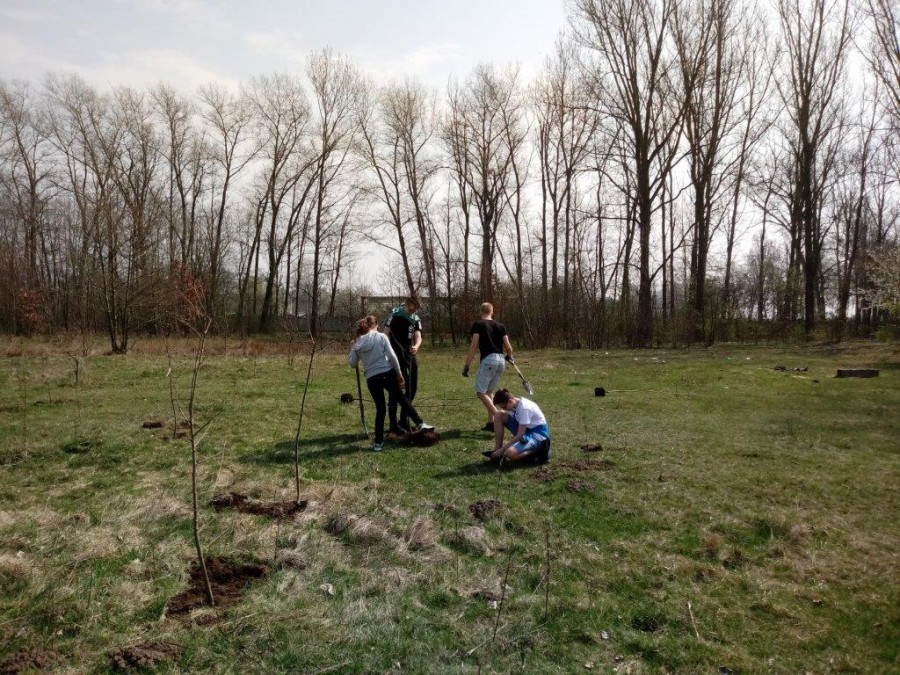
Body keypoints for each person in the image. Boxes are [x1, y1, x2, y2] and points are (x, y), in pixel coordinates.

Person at [348, 316, 433, 451]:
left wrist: (352, 347)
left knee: (380, 409)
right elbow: (392, 357)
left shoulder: (358, 342)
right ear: (375, 325)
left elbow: (352, 364)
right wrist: (399, 374)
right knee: (402, 398)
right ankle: (420, 423)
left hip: (372, 378)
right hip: (387, 373)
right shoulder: (381, 337)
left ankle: (378, 443)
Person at [463, 302, 514, 431]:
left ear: (481, 312)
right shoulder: (500, 326)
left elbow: (474, 345)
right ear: (492, 312)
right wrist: (510, 356)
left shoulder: (478, 325)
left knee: (480, 392)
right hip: (500, 361)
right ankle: (491, 423)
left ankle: (499, 417)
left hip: (489, 360)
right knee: (488, 392)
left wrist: (467, 365)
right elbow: (508, 347)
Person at [383, 296, 423, 434]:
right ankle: (393, 425)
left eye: (418, 307)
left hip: (410, 355)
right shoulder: (394, 315)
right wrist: (387, 352)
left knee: (412, 388)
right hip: (394, 356)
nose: (416, 310)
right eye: (414, 306)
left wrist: (416, 346)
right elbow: (385, 334)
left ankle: (403, 419)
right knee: (395, 390)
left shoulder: (415, 318)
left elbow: (418, 335)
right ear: (408, 304)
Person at [485, 388, 551, 464]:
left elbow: (520, 434)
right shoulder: (515, 403)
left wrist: (502, 450)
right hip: (526, 430)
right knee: (498, 415)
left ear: (510, 401)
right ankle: (497, 452)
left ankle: (539, 451)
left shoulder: (524, 408)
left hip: (538, 436)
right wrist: (499, 450)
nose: (505, 409)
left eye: (504, 407)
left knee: (509, 453)